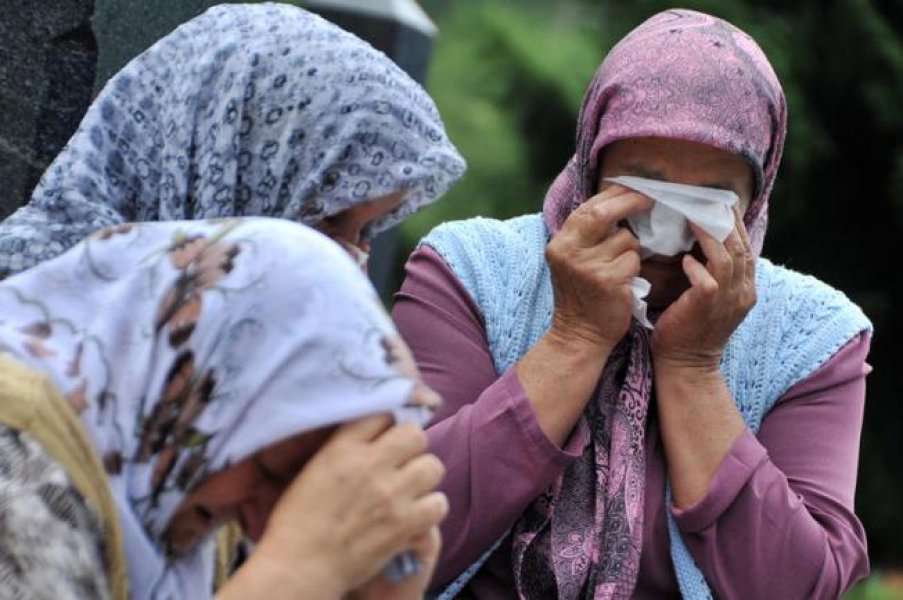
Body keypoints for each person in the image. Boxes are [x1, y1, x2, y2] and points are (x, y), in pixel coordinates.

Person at [394, 9, 871, 599]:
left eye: (707, 201)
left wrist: (692, 369)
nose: (667, 234)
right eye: (642, 190)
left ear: (753, 201)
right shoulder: (470, 270)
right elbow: (397, 537)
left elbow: (797, 586)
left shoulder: (813, 334)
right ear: (591, 169)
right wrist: (576, 339)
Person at [0, 217, 447, 600]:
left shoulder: (193, 530)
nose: (262, 524)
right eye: (271, 471)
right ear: (199, 383)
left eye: (303, 494)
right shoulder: (15, 452)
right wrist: (295, 573)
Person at [0, 2, 465, 277]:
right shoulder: (32, 302)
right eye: (328, 220)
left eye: (365, 234)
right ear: (229, 167)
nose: (350, 263)